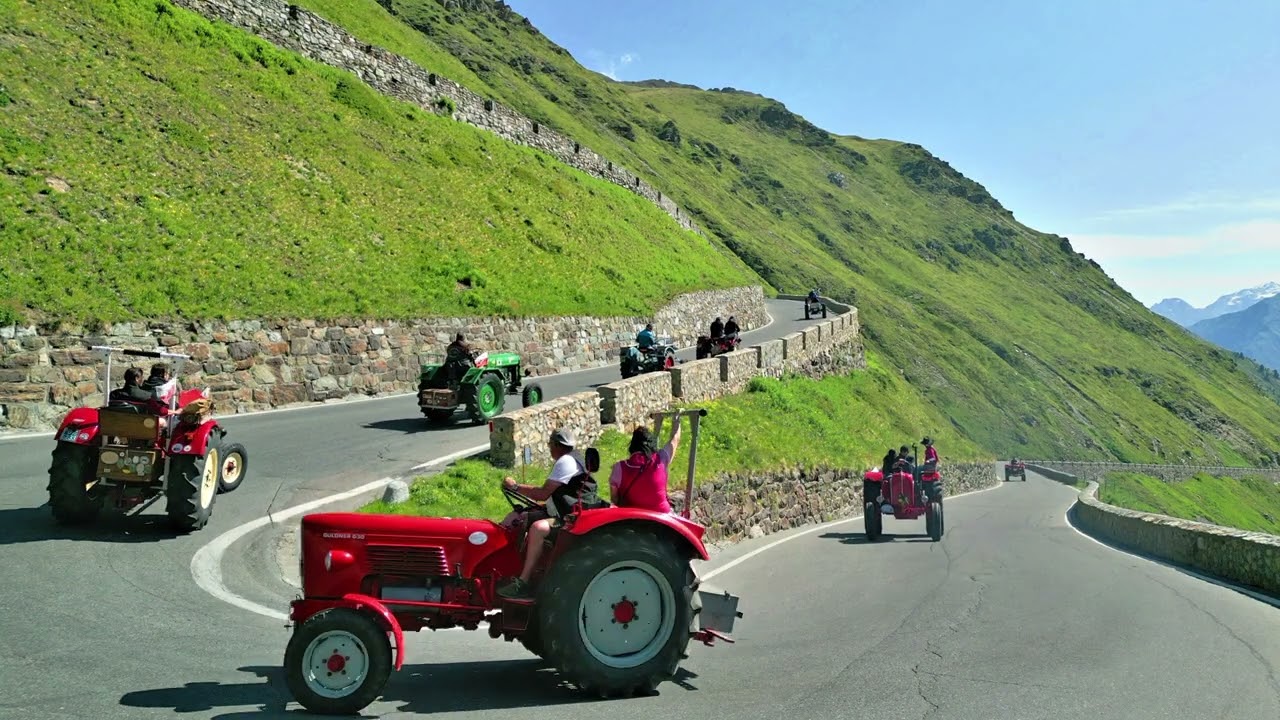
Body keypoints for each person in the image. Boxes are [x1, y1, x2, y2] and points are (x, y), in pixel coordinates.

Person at [497, 428, 599, 599]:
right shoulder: (573, 459)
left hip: (572, 518)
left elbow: (542, 493)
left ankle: (523, 582)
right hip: (566, 511)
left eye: (550, 444)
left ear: (557, 445)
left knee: (538, 528)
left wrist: (515, 487)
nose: (549, 447)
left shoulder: (566, 462)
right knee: (519, 517)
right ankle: (509, 568)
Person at [609, 414, 682, 513]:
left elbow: (615, 500)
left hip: (632, 517)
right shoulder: (660, 460)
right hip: (661, 516)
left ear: (632, 446)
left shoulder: (620, 468)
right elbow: (675, 439)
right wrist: (676, 420)